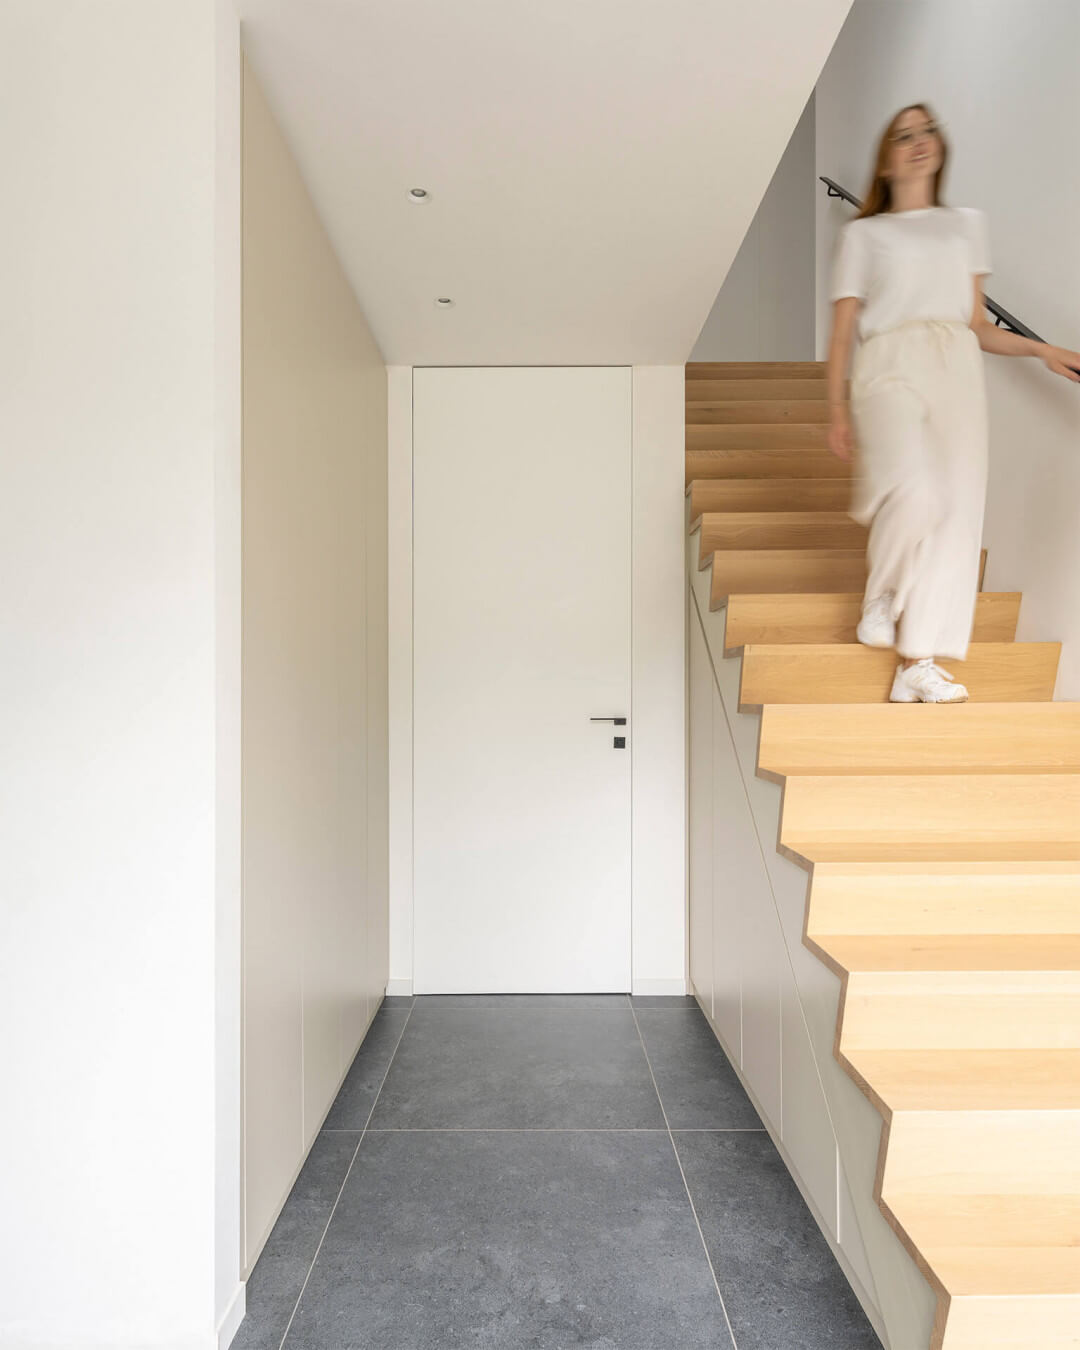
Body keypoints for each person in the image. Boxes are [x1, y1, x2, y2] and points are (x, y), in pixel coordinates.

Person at [825, 103, 1080, 703]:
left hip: (956, 368)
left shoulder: (966, 224)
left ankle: (918, 663)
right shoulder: (862, 234)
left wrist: (1042, 352)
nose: (919, 142)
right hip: (888, 364)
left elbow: (975, 325)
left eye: (928, 131)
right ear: (884, 160)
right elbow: (841, 334)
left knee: (957, 513)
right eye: (904, 135)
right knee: (914, 490)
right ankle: (884, 593)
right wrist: (836, 409)